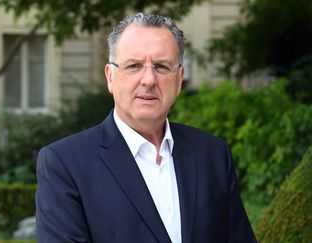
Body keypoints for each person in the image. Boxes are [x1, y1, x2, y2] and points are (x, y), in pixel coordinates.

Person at [36, 13, 257, 243]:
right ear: (110, 77)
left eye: (161, 66)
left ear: (179, 78)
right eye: (134, 66)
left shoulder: (212, 154)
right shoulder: (64, 164)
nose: (149, 80)